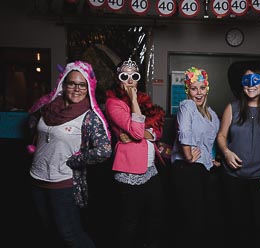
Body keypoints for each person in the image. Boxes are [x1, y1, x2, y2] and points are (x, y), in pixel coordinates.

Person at [27, 61, 112, 248]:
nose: (77, 88)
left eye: (82, 84)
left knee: (70, 234)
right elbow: (33, 127)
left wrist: (75, 160)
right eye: (72, 83)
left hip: (63, 183)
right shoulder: (47, 107)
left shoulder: (89, 116)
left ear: (89, 87)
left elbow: (104, 150)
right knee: (47, 231)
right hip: (37, 179)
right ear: (63, 84)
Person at [216, 67, 260, 248]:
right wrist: (226, 152)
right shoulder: (232, 107)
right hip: (233, 178)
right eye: (247, 81)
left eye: (256, 80)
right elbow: (221, 136)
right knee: (236, 226)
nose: (251, 85)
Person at [105, 57, 166, 248]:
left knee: (155, 216)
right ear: (118, 79)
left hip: (151, 169)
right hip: (130, 171)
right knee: (130, 221)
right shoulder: (113, 103)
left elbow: (157, 130)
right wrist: (132, 100)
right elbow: (139, 132)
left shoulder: (144, 101)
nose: (130, 81)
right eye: (125, 76)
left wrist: (145, 134)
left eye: (134, 76)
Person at [170, 66, 221, 248]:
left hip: (202, 169)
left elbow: (210, 142)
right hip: (187, 168)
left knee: (204, 216)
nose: (198, 93)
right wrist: (188, 155)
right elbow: (184, 131)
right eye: (193, 88)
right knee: (192, 218)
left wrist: (211, 158)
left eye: (201, 88)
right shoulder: (187, 105)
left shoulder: (212, 115)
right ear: (187, 90)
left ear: (207, 88)